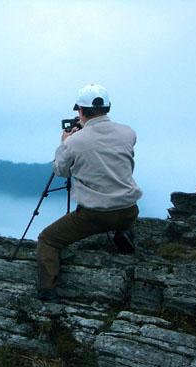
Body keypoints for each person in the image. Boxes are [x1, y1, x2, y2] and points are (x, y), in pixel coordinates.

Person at [36, 84, 142, 302]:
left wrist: (63, 144)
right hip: (129, 209)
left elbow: (61, 170)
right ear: (109, 106)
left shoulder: (75, 142)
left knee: (47, 239)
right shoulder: (128, 133)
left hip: (96, 214)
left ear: (81, 111)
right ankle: (123, 232)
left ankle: (47, 290)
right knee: (121, 208)